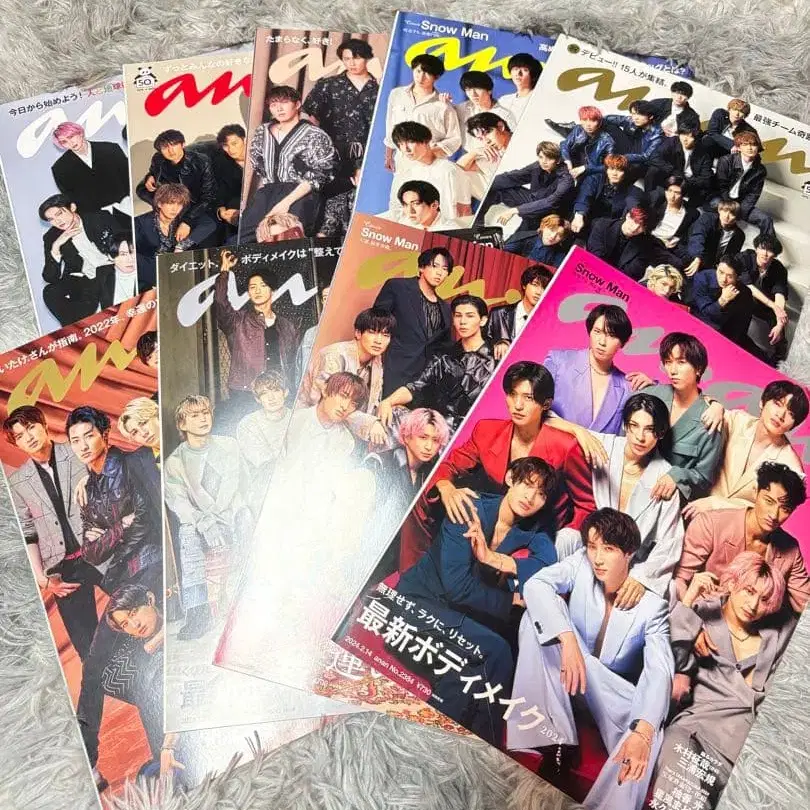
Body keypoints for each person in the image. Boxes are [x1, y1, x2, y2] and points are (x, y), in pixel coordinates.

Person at [509, 508, 673, 810]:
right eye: (592, 547)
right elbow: (536, 585)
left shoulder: (653, 608)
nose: (597, 558)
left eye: (608, 549)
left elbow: (659, 671)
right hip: (566, 673)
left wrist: (643, 731)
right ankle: (556, 742)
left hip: (604, 691)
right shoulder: (580, 564)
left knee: (649, 731)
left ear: (629, 554)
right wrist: (568, 639)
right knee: (534, 617)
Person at [390, 456, 559, 746]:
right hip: (415, 607)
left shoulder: (532, 530)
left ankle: (461, 744)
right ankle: (472, 744)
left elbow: (547, 564)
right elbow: (457, 588)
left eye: (541, 493)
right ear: (510, 479)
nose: (530, 497)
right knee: (496, 650)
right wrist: (510, 600)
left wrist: (493, 558)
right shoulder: (468, 508)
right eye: (526, 484)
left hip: (454, 620)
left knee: (473, 667)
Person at [66, 405, 162, 787]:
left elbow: (144, 523)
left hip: (150, 567)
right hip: (124, 583)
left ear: (105, 434)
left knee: (143, 667)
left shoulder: (132, 462)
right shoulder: (87, 490)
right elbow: (91, 551)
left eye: (89, 435)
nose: (83, 445)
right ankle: (88, 764)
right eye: (75, 440)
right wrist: (118, 529)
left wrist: (111, 541)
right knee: (94, 668)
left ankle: (164, 757)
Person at [654, 552, 793, 810]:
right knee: (676, 759)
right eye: (749, 591)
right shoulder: (700, 614)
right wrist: (688, 601)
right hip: (696, 733)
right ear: (732, 582)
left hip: (745, 751)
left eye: (764, 600)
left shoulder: (779, 635)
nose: (753, 605)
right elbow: (668, 660)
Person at [427, 360, 597, 557]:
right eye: (512, 394)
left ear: (546, 404)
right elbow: (450, 465)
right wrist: (446, 487)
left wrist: (562, 539)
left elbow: (586, 506)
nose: (517, 405)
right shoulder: (486, 430)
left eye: (528, 397)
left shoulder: (566, 447)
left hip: (537, 535)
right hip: (493, 525)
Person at [3, 406, 101, 662]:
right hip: (64, 569)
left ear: (44, 425)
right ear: (16, 443)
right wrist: (41, 579)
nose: (29, 437)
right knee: (87, 650)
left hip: (101, 551)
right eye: (20, 436)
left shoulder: (76, 450)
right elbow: (27, 532)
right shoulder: (18, 481)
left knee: (139, 606)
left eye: (31, 428)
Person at [164, 395, 253, 639]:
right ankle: (198, 613)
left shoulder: (229, 446)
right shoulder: (175, 462)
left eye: (205, 413)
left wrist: (228, 513)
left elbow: (242, 484)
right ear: (182, 424)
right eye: (194, 415)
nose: (203, 419)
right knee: (187, 533)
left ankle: (248, 599)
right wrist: (204, 521)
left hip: (231, 513)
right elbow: (178, 502)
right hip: (201, 523)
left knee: (247, 517)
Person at [674, 461, 809, 613]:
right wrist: (687, 617)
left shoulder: (790, 549)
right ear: (755, 492)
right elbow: (679, 579)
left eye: (785, 509)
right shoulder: (711, 524)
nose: (773, 515)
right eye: (769, 501)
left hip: (754, 623)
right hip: (704, 614)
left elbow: (805, 603)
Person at [588, 393, 685, 599]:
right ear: (625, 426)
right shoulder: (604, 446)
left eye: (649, 429)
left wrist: (641, 578)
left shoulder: (665, 477)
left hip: (632, 566)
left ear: (660, 433)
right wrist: (578, 432)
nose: (640, 437)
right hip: (593, 551)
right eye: (634, 426)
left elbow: (670, 541)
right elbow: (550, 418)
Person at [682, 380, 808, 517]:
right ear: (762, 402)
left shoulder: (791, 468)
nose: (781, 415)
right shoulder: (738, 421)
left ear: (794, 425)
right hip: (692, 505)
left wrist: (715, 504)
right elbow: (696, 405)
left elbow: (770, 513)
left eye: (791, 414)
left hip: (736, 525)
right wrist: (715, 405)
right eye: (777, 404)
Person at [377, 294, 494, 432]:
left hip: (479, 428)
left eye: (470, 316)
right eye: (458, 316)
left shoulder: (497, 356)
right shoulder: (444, 356)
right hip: (442, 429)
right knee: (394, 412)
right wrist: (388, 401)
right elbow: (416, 386)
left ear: (483, 320)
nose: (463, 322)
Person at [103, 584, 183, 779]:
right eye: (125, 624)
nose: (135, 624)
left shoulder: (179, 614)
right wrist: (156, 642)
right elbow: (109, 682)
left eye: (134, 612)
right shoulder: (135, 646)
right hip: (167, 752)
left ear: (150, 599)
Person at [241, 85, 337, 239]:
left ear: (297, 104)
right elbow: (258, 164)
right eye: (273, 104)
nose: (279, 108)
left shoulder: (315, 134)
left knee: (286, 235)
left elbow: (321, 174)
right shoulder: (262, 132)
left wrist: (286, 203)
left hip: (300, 193)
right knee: (244, 236)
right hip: (268, 192)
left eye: (284, 102)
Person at [303, 38, 379, 232]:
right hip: (335, 153)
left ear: (367, 58)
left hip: (370, 153)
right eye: (346, 59)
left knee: (367, 202)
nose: (351, 63)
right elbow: (311, 117)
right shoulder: (328, 85)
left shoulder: (380, 87)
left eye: (357, 58)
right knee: (329, 203)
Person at [364, 407, 451, 574]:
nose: (429, 446)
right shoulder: (380, 463)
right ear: (407, 436)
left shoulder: (428, 476)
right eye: (423, 437)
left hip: (394, 560)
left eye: (435, 440)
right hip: (367, 550)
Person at [214, 249, 299, 416]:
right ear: (248, 293)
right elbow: (220, 302)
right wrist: (224, 272)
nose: (257, 291)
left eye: (263, 286)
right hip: (245, 391)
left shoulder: (287, 326)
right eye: (253, 287)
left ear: (273, 291)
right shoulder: (237, 321)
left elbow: (293, 362)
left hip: (278, 392)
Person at [641, 332, 725, 501]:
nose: (672, 370)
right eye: (668, 362)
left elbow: (704, 477)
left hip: (666, 499)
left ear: (698, 368)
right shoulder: (651, 395)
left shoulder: (710, 420)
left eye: (681, 362)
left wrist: (677, 476)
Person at [299, 306, 395, 443]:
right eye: (372, 332)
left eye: (385, 335)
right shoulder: (334, 356)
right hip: (310, 425)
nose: (379, 341)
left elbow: (372, 403)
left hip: (345, 431)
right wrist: (369, 423)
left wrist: (385, 406)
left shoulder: (377, 361)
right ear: (358, 333)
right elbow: (326, 403)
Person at [541, 304, 636, 436]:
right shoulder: (558, 362)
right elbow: (534, 406)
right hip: (550, 445)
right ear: (590, 331)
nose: (602, 342)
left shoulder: (627, 387)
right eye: (597, 331)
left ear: (622, 343)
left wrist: (651, 385)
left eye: (611, 335)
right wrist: (577, 431)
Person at [373, 247, 453, 396]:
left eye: (445, 269)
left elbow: (446, 346)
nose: (439, 273)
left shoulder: (446, 308)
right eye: (434, 266)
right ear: (421, 267)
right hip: (396, 368)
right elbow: (377, 321)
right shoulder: (397, 287)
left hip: (425, 381)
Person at [39, 193, 127, 325]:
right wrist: (56, 247)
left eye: (59, 214)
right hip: (83, 280)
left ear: (72, 207)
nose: (57, 221)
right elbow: (50, 277)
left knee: (104, 272)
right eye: (51, 219)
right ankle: (75, 330)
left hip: (110, 270)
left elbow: (126, 241)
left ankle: (113, 324)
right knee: (50, 291)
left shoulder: (99, 218)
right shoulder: (51, 237)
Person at [479, 141, 574, 238]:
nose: (544, 161)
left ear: (557, 160)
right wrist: (487, 185)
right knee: (498, 188)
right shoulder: (538, 166)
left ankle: (516, 238)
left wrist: (515, 210)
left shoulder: (566, 179)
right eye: (541, 157)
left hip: (549, 214)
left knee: (519, 238)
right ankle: (477, 224)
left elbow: (550, 202)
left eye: (549, 158)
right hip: (533, 201)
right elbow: (513, 177)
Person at [383, 53, 461, 171]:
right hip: (402, 161)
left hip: (432, 164)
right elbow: (390, 127)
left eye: (427, 73)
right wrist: (388, 156)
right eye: (418, 71)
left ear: (436, 77)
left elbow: (455, 138)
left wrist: (431, 153)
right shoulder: (397, 94)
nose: (421, 77)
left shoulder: (443, 104)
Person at [134, 183, 218, 291]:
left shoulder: (183, 219)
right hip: (152, 271)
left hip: (179, 268)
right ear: (159, 203)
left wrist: (182, 244)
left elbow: (209, 224)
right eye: (170, 203)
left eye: (179, 204)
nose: (175, 209)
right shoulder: (141, 223)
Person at [135, 129, 217, 233]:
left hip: (191, 200)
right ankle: (163, 212)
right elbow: (153, 171)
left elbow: (208, 196)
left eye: (174, 145)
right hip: (171, 195)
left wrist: (187, 221)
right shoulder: (158, 158)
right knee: (141, 190)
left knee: (206, 224)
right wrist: (150, 176)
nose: (170, 151)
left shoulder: (201, 162)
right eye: (165, 147)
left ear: (183, 144)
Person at [387, 121, 471, 221]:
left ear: (425, 141)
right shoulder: (403, 175)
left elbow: (464, 212)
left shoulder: (450, 170)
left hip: (445, 227)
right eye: (400, 144)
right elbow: (396, 211)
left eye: (410, 142)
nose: (406, 149)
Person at [50, 121, 131, 219]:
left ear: (80, 133)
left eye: (71, 136)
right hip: (97, 217)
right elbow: (72, 199)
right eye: (64, 142)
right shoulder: (60, 168)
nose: (70, 143)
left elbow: (128, 177)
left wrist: (129, 201)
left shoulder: (110, 148)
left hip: (128, 205)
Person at [236, 370, 291, 508]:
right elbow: (265, 464)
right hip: (263, 489)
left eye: (276, 390)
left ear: (285, 392)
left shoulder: (297, 418)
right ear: (257, 399)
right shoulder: (248, 424)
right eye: (264, 393)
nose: (271, 398)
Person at [736, 234, 791, 364]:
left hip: (762, 304)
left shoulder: (779, 269)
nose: (765, 254)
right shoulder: (744, 257)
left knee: (778, 317)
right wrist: (773, 306)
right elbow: (748, 286)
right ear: (756, 248)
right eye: (762, 248)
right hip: (742, 297)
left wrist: (780, 323)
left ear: (775, 255)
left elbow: (780, 293)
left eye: (770, 251)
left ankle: (779, 356)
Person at [586, 208, 674, 281]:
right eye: (635, 221)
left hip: (616, 285)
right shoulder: (603, 226)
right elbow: (594, 258)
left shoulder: (646, 246)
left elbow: (631, 274)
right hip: (589, 274)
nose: (635, 228)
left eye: (642, 226)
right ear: (628, 216)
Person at [713, 132, 774, 236]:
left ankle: (767, 244)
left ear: (758, 148)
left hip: (740, 204)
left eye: (753, 145)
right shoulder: (726, 161)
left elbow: (753, 195)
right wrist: (730, 207)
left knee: (766, 219)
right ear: (738, 147)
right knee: (714, 203)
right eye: (745, 144)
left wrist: (739, 212)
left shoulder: (760, 170)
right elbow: (721, 186)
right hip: (722, 198)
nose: (750, 148)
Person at [487, 264, 553, 359]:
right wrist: (498, 343)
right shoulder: (498, 314)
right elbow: (482, 343)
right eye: (535, 285)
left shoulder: (548, 322)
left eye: (544, 288)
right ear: (524, 285)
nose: (539, 292)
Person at [570, 154, 643, 236]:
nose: (614, 173)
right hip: (588, 218)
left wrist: (633, 217)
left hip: (607, 227)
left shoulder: (630, 189)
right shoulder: (595, 179)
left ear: (625, 173)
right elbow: (585, 196)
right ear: (606, 170)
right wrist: (579, 215)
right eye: (611, 169)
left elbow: (633, 201)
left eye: (619, 170)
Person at [691, 255, 755, 347]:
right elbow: (706, 312)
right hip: (700, 322)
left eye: (730, 276)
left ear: (737, 277)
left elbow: (740, 325)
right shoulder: (702, 278)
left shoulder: (745, 293)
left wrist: (731, 345)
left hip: (727, 332)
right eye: (721, 272)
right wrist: (723, 300)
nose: (723, 279)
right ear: (717, 267)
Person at [644, 124, 714, 205]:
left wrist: (686, 180)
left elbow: (706, 180)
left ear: (696, 139)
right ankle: (648, 198)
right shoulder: (673, 141)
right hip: (671, 176)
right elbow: (654, 157)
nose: (685, 139)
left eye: (690, 136)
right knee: (653, 170)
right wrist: (673, 171)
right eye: (683, 134)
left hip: (689, 183)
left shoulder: (703, 154)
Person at [680, 201, 745, 284]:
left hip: (712, 266)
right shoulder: (708, 218)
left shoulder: (739, 235)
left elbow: (730, 256)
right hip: (692, 255)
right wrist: (697, 257)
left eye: (732, 214)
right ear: (719, 210)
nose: (727, 216)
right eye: (725, 211)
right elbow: (697, 237)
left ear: (736, 217)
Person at [456, 112, 513, 200]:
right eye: (480, 139)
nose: (486, 141)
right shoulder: (492, 155)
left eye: (486, 133)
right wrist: (475, 152)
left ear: (500, 126)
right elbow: (457, 169)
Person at [455, 70, 516, 150]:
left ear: (489, 90)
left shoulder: (504, 114)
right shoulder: (464, 108)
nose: (473, 94)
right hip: (472, 154)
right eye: (468, 90)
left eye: (477, 88)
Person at [603, 100, 664, 178]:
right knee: (608, 125)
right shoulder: (631, 121)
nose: (635, 118)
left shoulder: (657, 133)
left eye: (640, 114)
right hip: (628, 149)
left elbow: (646, 156)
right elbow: (607, 118)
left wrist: (623, 157)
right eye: (633, 114)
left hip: (638, 159)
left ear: (651, 116)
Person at [559, 106, 616, 180]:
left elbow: (608, 166)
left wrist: (585, 168)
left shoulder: (607, 141)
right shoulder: (578, 129)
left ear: (599, 122)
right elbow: (565, 145)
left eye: (593, 121)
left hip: (591, 171)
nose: (588, 124)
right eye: (584, 120)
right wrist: (567, 160)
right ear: (580, 120)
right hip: (573, 163)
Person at [647, 176, 699, 257]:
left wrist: (677, 240)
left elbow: (687, 235)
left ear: (683, 195)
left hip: (669, 246)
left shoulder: (691, 213)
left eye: (677, 193)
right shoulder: (657, 201)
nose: (672, 196)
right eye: (669, 191)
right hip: (650, 239)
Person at [212, 124, 247, 238]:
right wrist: (221, 210)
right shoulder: (221, 163)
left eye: (234, 143)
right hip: (237, 205)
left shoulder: (260, 155)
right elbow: (220, 189)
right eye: (225, 145)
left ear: (244, 139)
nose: (231, 150)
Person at [390, 179, 461, 230]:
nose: (410, 211)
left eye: (416, 204)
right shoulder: (402, 223)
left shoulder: (451, 230)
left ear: (434, 205)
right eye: (405, 204)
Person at [498, 53, 542, 121]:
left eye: (525, 70)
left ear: (533, 75)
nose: (518, 73)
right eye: (515, 69)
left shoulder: (538, 100)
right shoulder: (504, 100)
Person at [107, 236, 138, 303]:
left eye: (132, 252)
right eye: (123, 254)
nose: (130, 259)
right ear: (111, 257)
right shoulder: (102, 274)